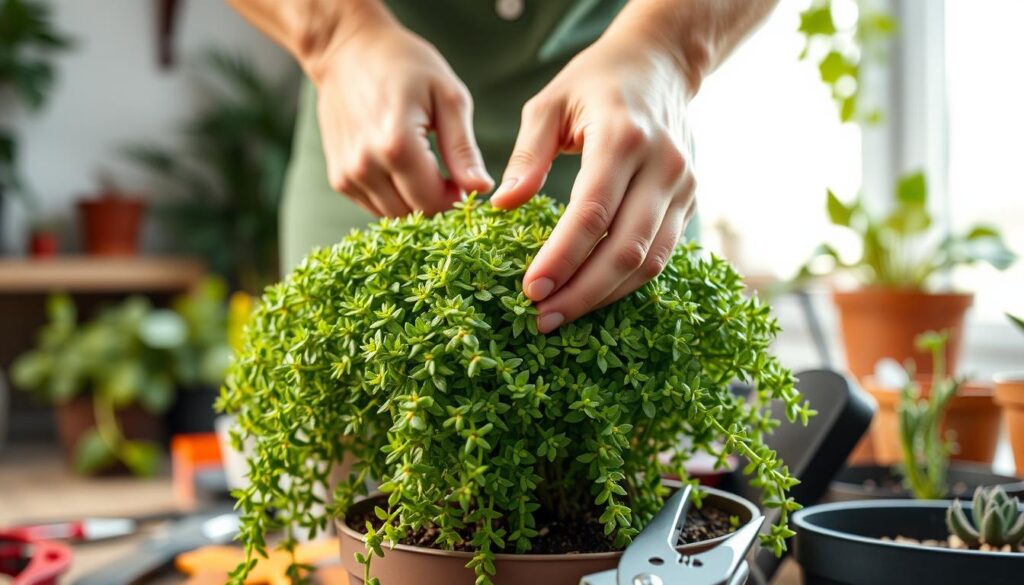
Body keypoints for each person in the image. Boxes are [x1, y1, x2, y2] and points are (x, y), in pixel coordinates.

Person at [228, 0, 776, 333]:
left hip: (624, 163)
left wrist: (669, 49)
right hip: (375, 169)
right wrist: (335, 36)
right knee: (359, 508)